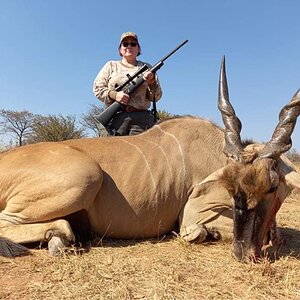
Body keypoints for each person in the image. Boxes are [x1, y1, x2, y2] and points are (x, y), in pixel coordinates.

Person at [93, 31, 163, 136]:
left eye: (133, 44)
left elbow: (156, 97)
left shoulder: (148, 68)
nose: (129, 46)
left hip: (141, 120)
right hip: (116, 118)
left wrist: (151, 83)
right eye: (125, 44)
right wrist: (115, 95)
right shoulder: (111, 65)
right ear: (120, 49)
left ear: (138, 49)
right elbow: (97, 88)